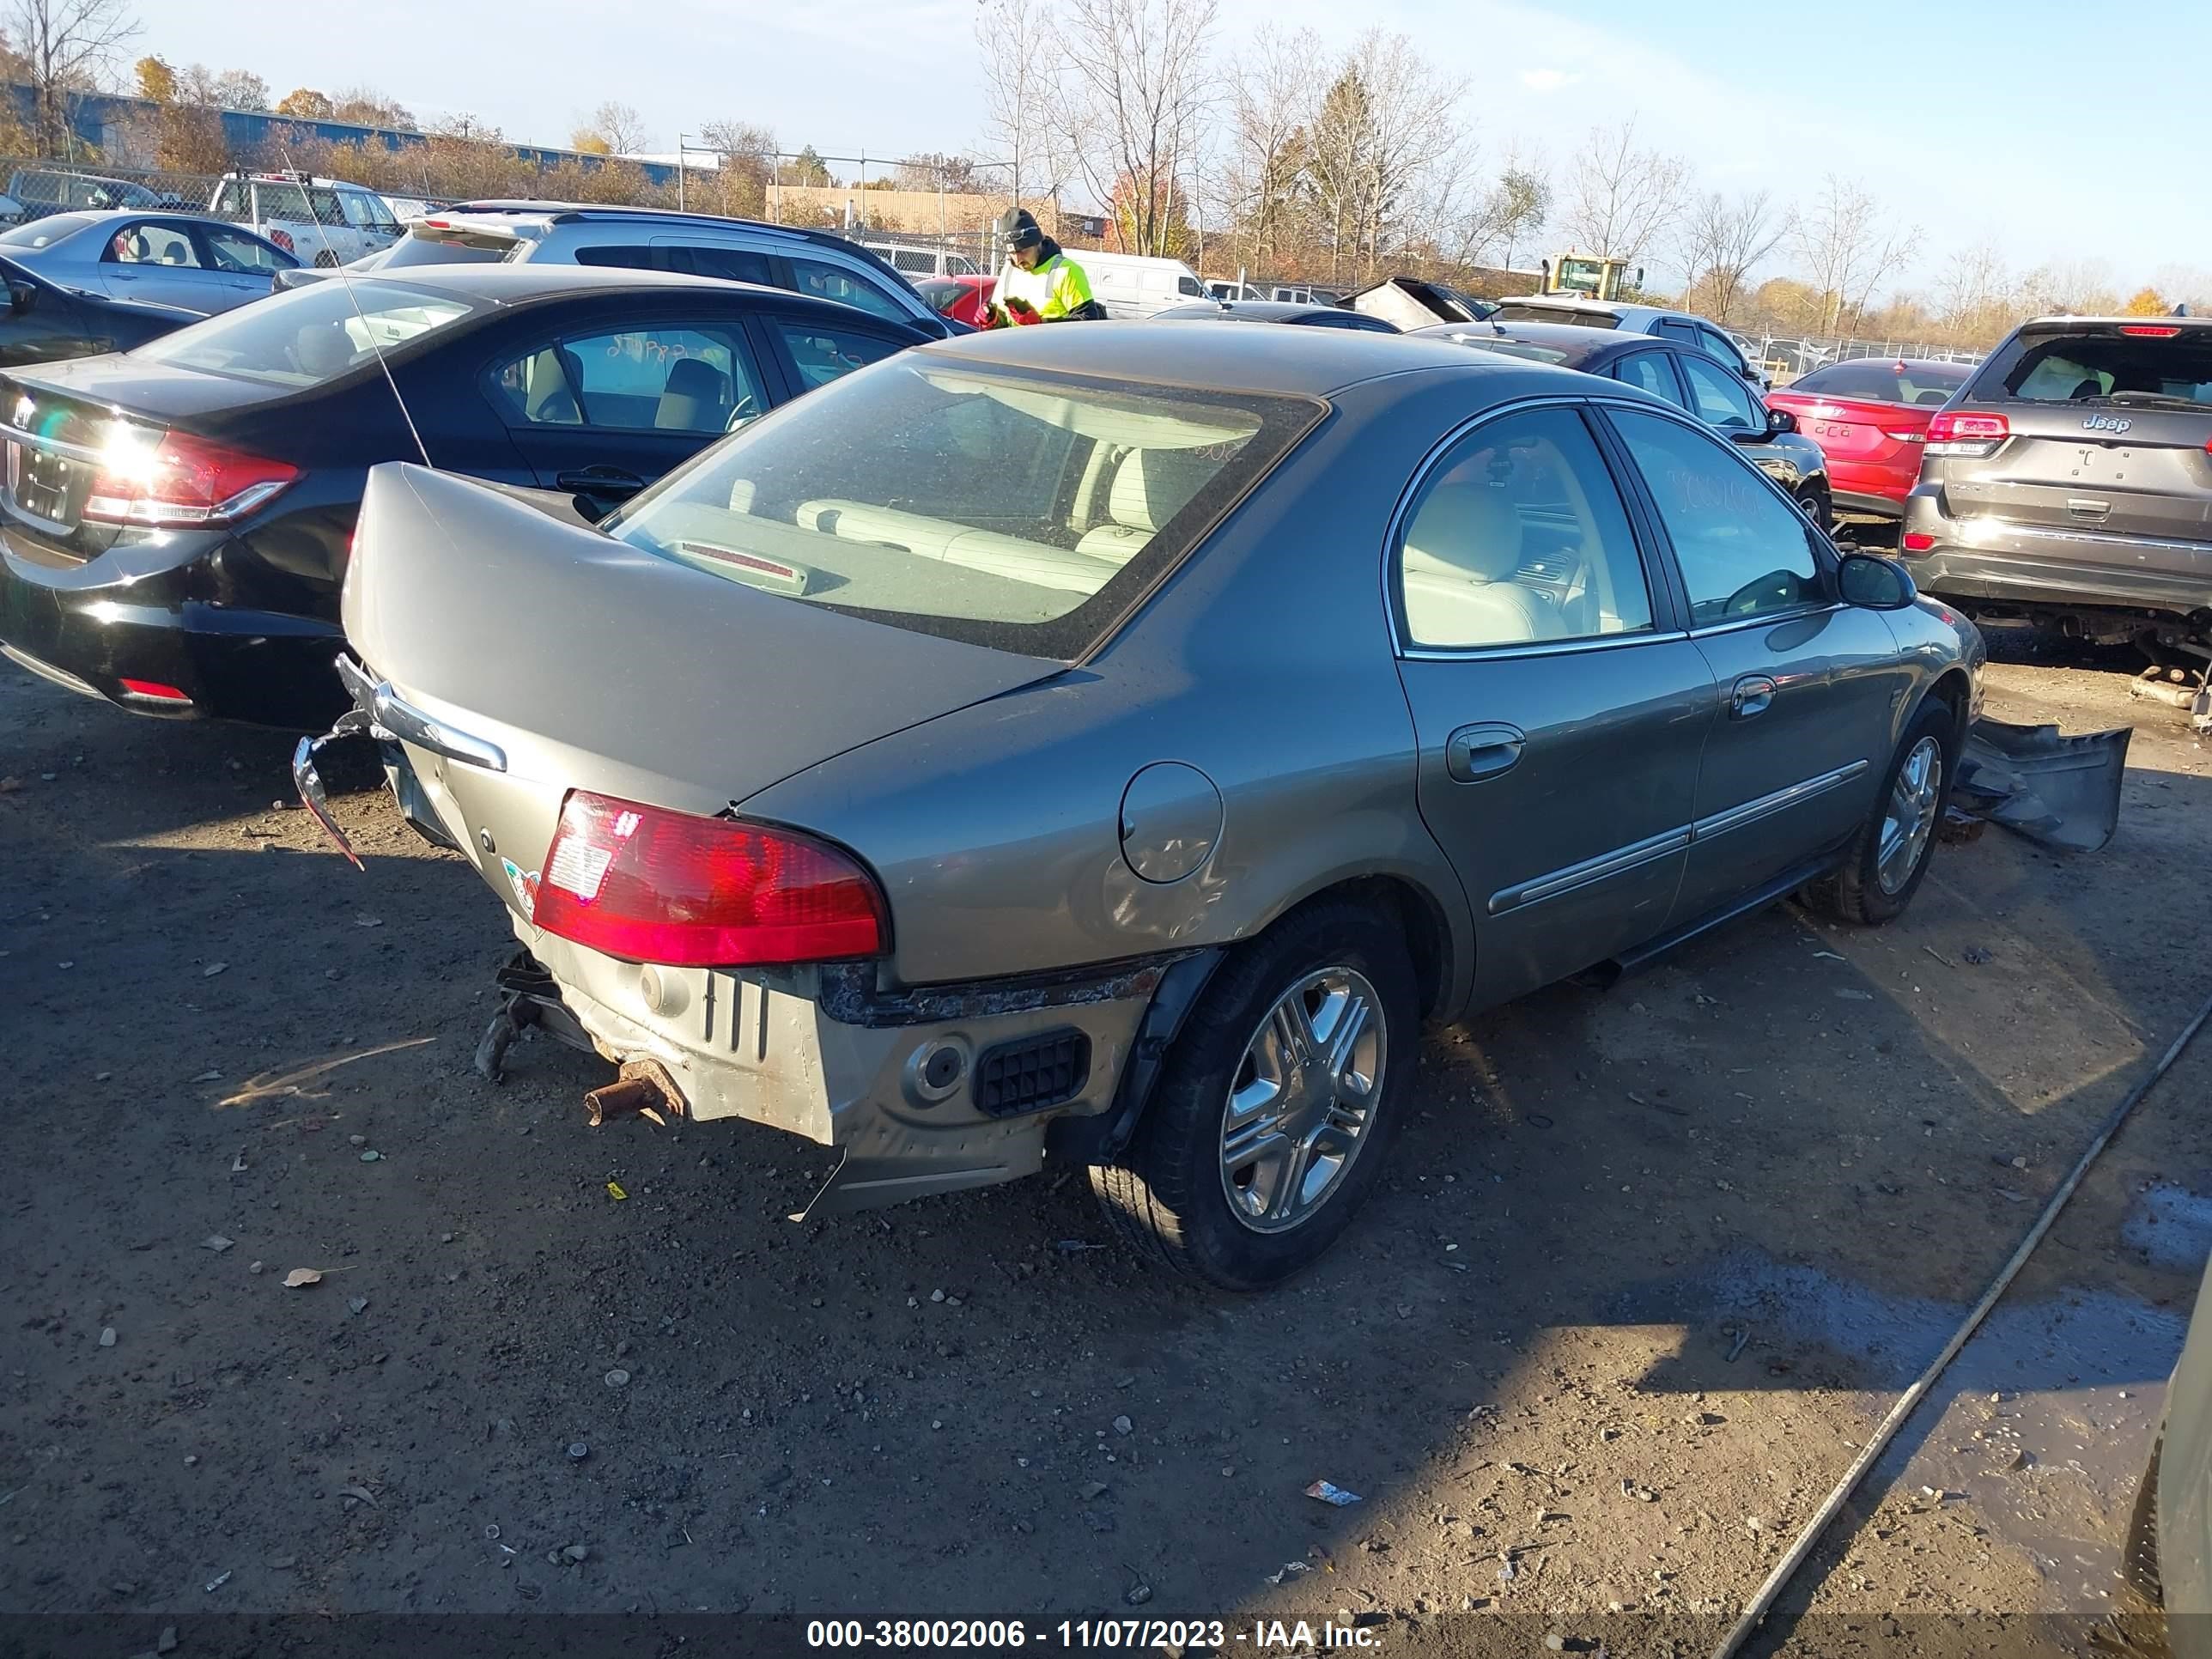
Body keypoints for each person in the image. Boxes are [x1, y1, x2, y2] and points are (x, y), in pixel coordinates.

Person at [982, 208, 1104, 326]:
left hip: (1053, 347)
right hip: (1014, 346)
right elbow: (1005, 321)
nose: (1018, 260)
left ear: (1038, 243)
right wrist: (992, 321)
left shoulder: (1066, 271)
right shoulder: (1009, 270)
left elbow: (1087, 323)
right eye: (1012, 253)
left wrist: (1041, 324)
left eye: (1023, 251)